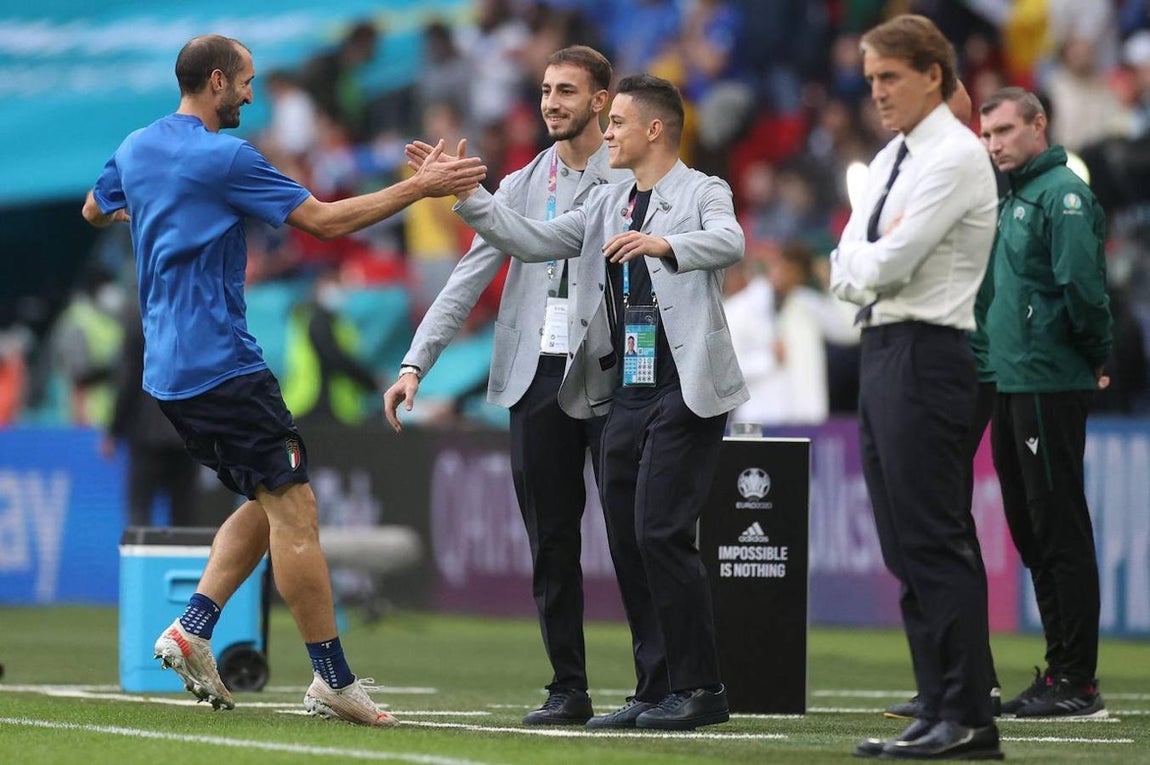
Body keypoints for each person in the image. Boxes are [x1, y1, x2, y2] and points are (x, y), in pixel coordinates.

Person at [81, 34, 484, 725]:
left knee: (271, 500)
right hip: (222, 364)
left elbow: (94, 207)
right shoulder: (226, 156)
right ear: (215, 81)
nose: (250, 94)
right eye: (244, 82)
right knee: (296, 513)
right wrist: (421, 187)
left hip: (169, 375)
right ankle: (332, 678)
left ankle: (193, 627)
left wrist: (151, 209)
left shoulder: (138, 146)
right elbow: (325, 222)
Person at [439, 73, 747, 731]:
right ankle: (655, 687)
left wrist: (667, 245)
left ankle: (702, 686)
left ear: (654, 130)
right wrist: (471, 195)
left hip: (685, 385)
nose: (606, 134)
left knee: (661, 532)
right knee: (634, 540)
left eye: (617, 125)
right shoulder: (610, 203)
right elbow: (532, 239)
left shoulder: (701, 190)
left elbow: (731, 242)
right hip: (626, 388)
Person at [384, 45, 631, 727]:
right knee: (550, 538)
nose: (552, 102)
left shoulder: (629, 179)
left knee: (635, 531)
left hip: (608, 370)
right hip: (536, 376)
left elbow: (534, 241)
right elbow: (467, 279)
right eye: (546, 90)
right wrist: (414, 363)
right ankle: (568, 686)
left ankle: (659, 683)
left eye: (568, 91)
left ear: (602, 100)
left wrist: (470, 199)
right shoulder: (523, 180)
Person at [829, 15, 1002, 759]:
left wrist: (862, 260)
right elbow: (844, 259)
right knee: (904, 543)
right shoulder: (897, 155)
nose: (877, 93)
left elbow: (884, 264)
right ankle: (937, 703)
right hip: (884, 348)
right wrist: (862, 259)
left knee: (932, 537)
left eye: (890, 77)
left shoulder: (956, 157)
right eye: (871, 80)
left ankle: (967, 714)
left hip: (930, 350)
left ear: (934, 74)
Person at [979, 86, 1112, 719]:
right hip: (1013, 380)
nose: (995, 143)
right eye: (987, 133)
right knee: (1032, 528)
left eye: (1005, 130)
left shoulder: (1062, 194)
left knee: (1058, 526)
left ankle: (1077, 681)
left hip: (1047, 381)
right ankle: (1061, 670)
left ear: (1039, 125)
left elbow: (1084, 291)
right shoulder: (1017, 197)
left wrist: (1098, 355)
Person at [100, 293, 201, 528]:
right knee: (185, 513)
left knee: (139, 508)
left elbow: (128, 378)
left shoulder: (140, 315)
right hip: (187, 430)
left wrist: (114, 430)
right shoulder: (194, 313)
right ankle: (184, 565)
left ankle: (139, 563)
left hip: (147, 432)